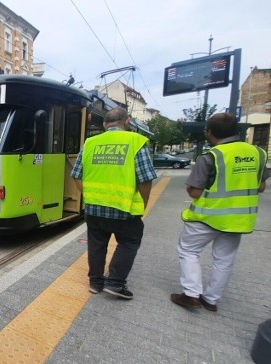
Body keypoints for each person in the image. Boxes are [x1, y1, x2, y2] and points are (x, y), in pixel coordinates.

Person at [171, 113, 269, 312]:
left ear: (209, 132)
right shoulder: (258, 153)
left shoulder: (211, 157)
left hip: (206, 217)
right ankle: (211, 300)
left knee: (189, 251)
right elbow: (260, 187)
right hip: (238, 219)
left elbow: (195, 191)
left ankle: (191, 294)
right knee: (224, 260)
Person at [71, 107, 157, 300]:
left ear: (104, 124)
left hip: (94, 207)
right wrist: (143, 204)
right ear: (127, 121)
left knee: (96, 244)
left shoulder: (90, 143)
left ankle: (95, 283)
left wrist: (90, 194)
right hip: (124, 208)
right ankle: (116, 284)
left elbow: (75, 175)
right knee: (129, 242)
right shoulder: (135, 141)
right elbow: (145, 179)